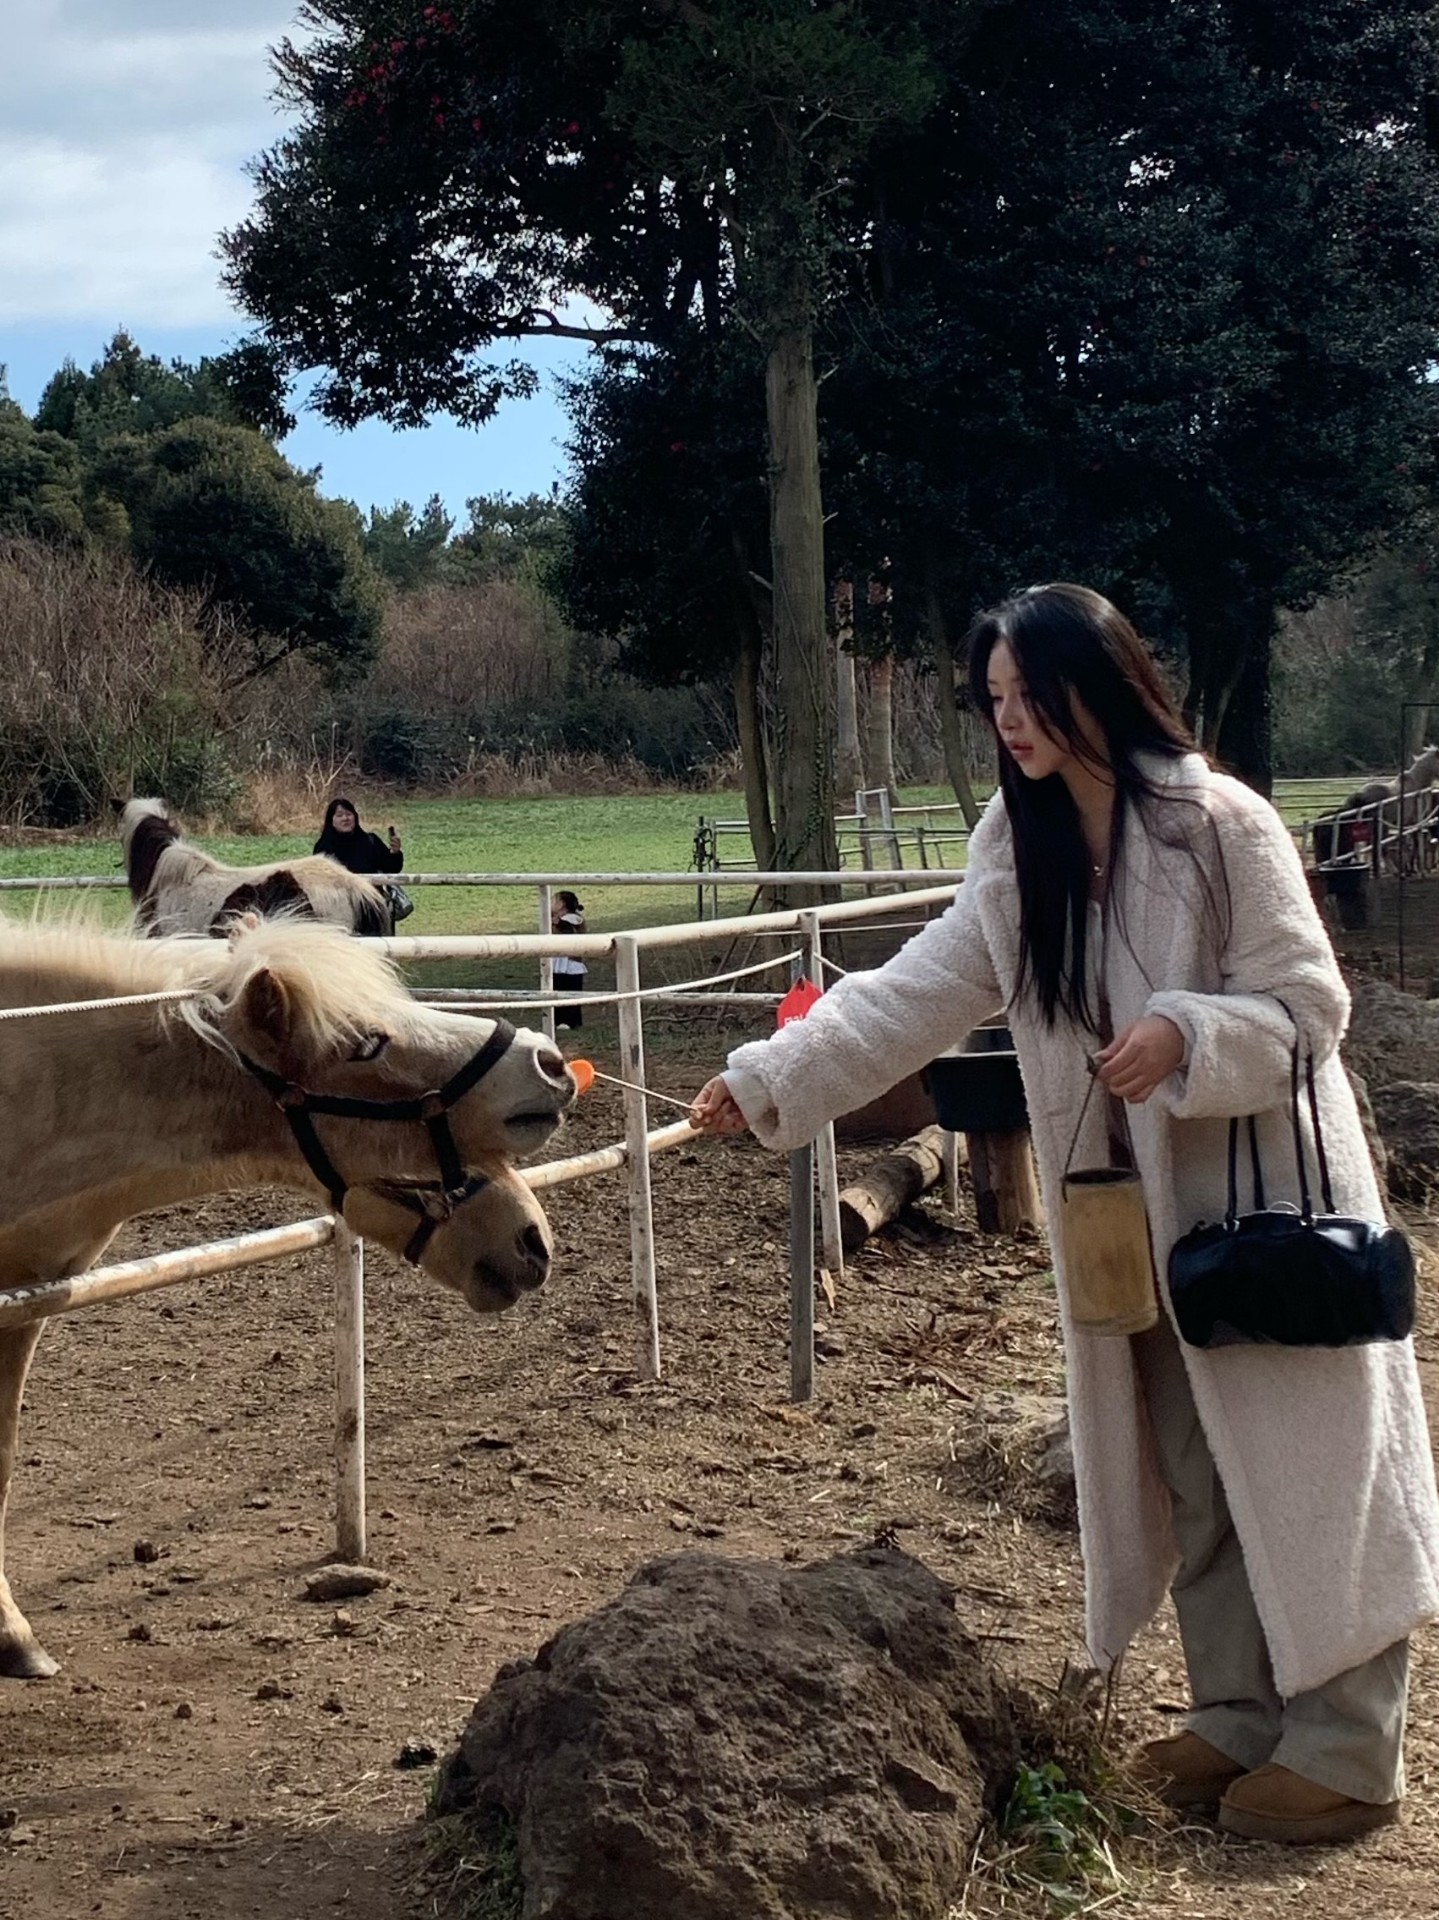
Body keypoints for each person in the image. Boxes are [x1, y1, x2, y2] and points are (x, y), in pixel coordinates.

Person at [691, 583, 1439, 1846]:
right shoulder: (1011, 846)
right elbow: (914, 989)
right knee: (1189, 1470)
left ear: (1102, 687)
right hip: (1119, 1229)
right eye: (993, 703)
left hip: (1261, 1208)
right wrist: (769, 1079)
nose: (1013, 724)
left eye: (1030, 697)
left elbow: (1310, 1006)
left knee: (1311, 1469)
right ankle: (1235, 1715)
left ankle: (1348, 1748)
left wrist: (1187, 1033)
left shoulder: (1217, 825)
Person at [314, 796, 405, 875]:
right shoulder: (323, 847)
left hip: (370, 894)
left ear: (355, 817)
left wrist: (395, 852)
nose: (345, 818)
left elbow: (392, 869)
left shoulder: (370, 842)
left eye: (349, 814)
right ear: (331, 821)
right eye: (339, 815)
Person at [551, 890, 587, 1029]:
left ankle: (571, 1021)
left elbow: (566, 928)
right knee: (558, 989)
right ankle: (559, 1019)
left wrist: (555, 920)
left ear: (562, 904)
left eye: (554, 900)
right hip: (558, 962)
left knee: (571, 991)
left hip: (571, 963)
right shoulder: (557, 919)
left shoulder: (573, 918)